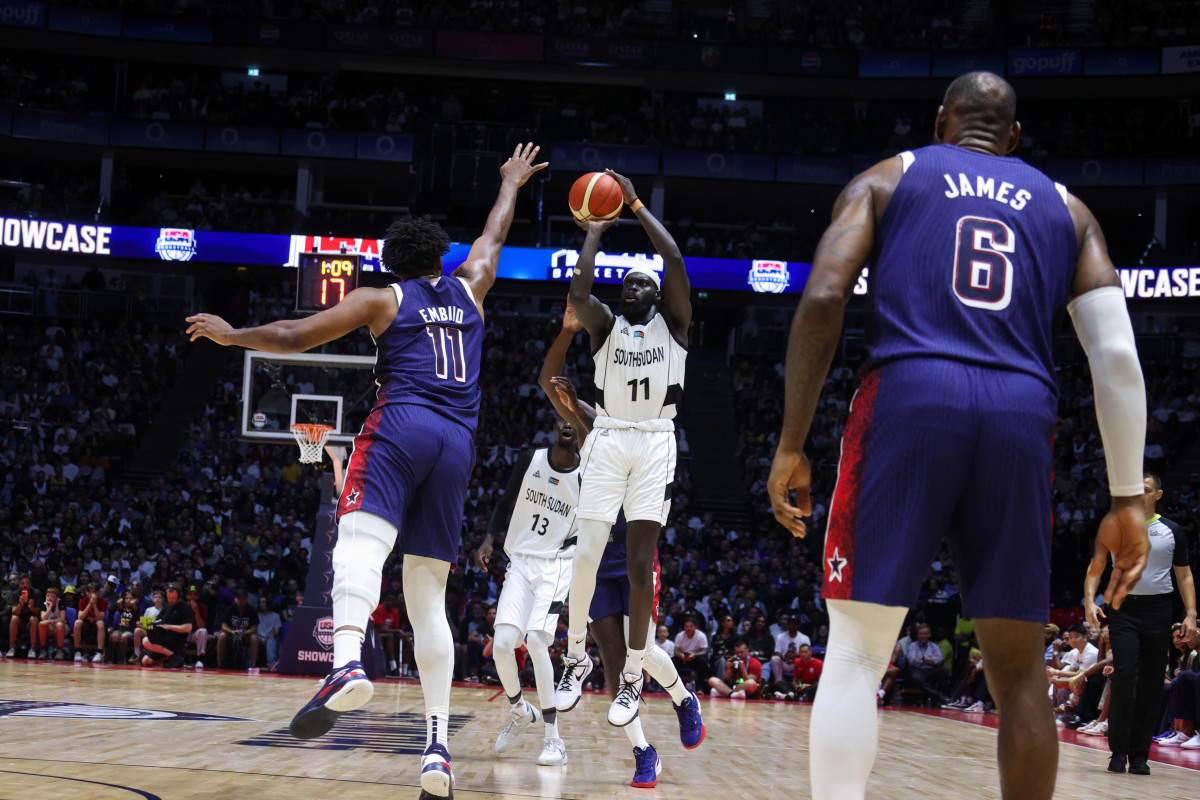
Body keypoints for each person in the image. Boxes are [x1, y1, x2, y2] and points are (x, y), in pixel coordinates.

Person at [766, 71, 1150, 800]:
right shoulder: (1069, 210)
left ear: (943, 122)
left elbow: (822, 295)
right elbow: (1117, 357)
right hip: (1020, 410)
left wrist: (791, 441)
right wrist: (1127, 497)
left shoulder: (890, 176)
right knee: (1019, 674)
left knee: (855, 652)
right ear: (1014, 138)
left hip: (909, 394)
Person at [187, 142, 545, 800]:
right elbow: (493, 235)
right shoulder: (471, 286)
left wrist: (233, 335)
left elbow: (295, 337)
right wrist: (510, 182)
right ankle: (437, 752)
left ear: (391, 264)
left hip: (403, 424)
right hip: (459, 444)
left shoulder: (384, 300)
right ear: (440, 256)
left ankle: (347, 661)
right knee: (428, 597)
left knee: (358, 537)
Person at [541, 304, 704, 788]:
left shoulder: (608, 428)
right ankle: (642, 751)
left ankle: (682, 698)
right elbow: (549, 378)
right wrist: (568, 332)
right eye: (561, 419)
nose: (566, 422)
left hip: (629, 557)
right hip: (590, 559)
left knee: (645, 648)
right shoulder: (574, 426)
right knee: (612, 655)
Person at [557, 169, 692, 728]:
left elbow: (677, 260)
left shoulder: (676, 326)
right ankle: (573, 658)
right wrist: (595, 229)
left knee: (640, 565)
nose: (632, 287)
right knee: (585, 555)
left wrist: (633, 204)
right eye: (627, 283)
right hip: (610, 436)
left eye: (642, 283)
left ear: (657, 296)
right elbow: (579, 293)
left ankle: (633, 675)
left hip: (656, 441)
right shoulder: (605, 326)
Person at [475, 411, 582, 768]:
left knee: (537, 641)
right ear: (554, 427)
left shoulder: (589, 476)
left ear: (581, 431)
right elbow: (505, 503)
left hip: (556, 565)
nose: (567, 425)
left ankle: (555, 740)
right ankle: (520, 710)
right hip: (520, 561)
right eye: (561, 420)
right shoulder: (530, 459)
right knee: (502, 645)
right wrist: (489, 539)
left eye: (574, 422)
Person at [1086, 471, 1197, 774]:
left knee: (1150, 683)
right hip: (1122, 609)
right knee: (1123, 673)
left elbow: (1184, 574)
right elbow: (1095, 567)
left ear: (1157, 495)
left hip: (1159, 610)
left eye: (1146, 490)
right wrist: (1088, 601)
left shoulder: (1172, 531)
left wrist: (1190, 613)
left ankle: (1139, 755)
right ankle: (1118, 751)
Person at [142, 584, 193, 668]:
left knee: (145, 641)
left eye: (173, 598)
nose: (170, 600)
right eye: (169, 598)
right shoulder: (167, 606)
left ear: (179, 596)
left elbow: (188, 628)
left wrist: (169, 626)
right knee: (145, 662)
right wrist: (148, 624)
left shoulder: (186, 607)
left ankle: (174, 656)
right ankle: (172, 657)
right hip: (164, 640)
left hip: (176, 641)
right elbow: (158, 620)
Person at [218, 589, 260, 673]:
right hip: (231, 634)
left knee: (254, 637)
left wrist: (246, 633)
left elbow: (254, 627)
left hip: (245, 635)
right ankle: (220, 664)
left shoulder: (251, 610)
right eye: (239, 598)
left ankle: (253, 665)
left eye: (243, 598)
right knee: (222, 635)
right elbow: (223, 625)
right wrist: (231, 632)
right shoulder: (229, 609)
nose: (241, 600)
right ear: (235, 599)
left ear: (247, 599)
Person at [73, 582, 107, 663]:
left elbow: (100, 617)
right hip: (85, 627)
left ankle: (99, 652)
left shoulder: (103, 601)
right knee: (77, 622)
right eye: (90, 592)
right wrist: (90, 604)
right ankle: (77, 651)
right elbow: (80, 617)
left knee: (100, 623)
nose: (92, 594)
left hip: (96, 628)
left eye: (94, 592)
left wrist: (94, 605)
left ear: (98, 592)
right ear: (86, 593)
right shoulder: (82, 601)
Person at [370, 593, 403, 676]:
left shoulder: (395, 612)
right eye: (389, 600)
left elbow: (394, 628)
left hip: (388, 634)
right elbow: (380, 629)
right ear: (385, 600)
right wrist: (396, 631)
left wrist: (400, 634)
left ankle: (407, 671)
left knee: (406, 641)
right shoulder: (379, 609)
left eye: (393, 600)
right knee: (390, 636)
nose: (391, 602)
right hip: (376, 635)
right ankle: (393, 667)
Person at [38, 585, 68, 660]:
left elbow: (62, 619)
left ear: (57, 598)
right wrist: (50, 607)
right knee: (41, 624)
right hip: (50, 628)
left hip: (63, 626)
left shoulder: (61, 602)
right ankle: (43, 650)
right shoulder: (44, 604)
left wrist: (50, 621)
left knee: (59, 624)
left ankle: (60, 650)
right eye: (48, 596)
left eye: (52, 596)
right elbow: (43, 618)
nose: (49, 598)